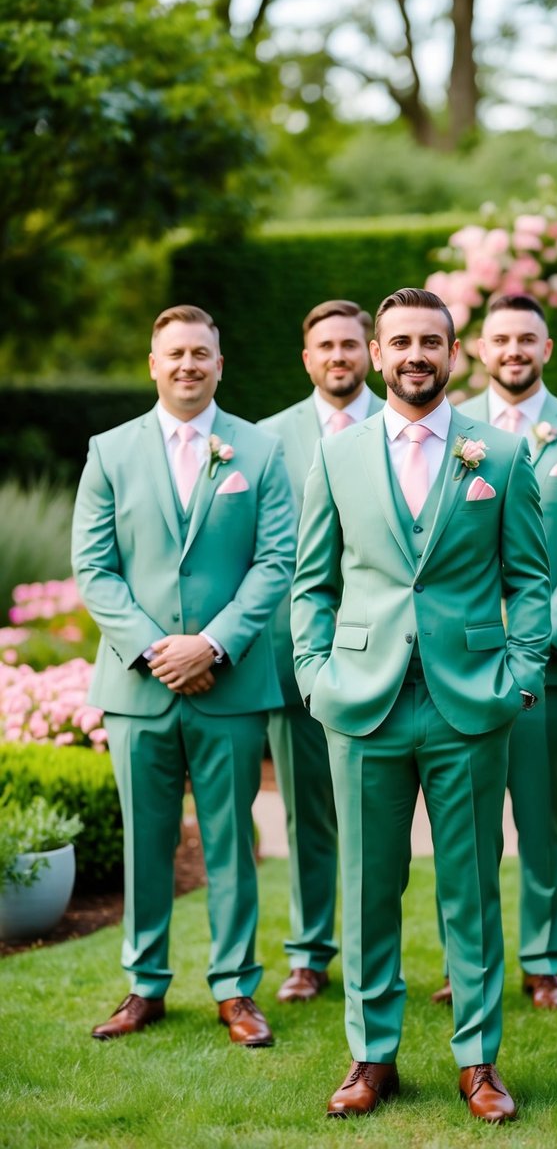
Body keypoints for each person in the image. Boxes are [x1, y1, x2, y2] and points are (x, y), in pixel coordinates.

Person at [291, 287, 551, 1122]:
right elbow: (311, 583)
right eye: (398, 341)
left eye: (429, 342)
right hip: (360, 703)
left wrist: (517, 675)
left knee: (469, 889)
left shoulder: (500, 455)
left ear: (452, 352)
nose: (414, 355)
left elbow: (530, 580)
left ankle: (477, 1063)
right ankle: (371, 1059)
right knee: (367, 887)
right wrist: (313, 674)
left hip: (468, 703)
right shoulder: (335, 457)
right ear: (375, 355)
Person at [72, 304, 295, 1046]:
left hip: (228, 683)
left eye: (201, 353)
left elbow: (276, 562)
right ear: (152, 362)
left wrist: (213, 645)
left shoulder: (259, 452)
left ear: (219, 364)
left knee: (232, 840)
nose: (188, 366)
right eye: (175, 354)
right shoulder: (109, 451)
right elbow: (95, 568)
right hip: (138, 688)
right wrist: (154, 649)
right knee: (148, 840)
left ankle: (235, 990)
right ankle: (145, 985)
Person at [430, 294, 557, 1012]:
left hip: (548, 663)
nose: (512, 351)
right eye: (499, 339)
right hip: (454, 665)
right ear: (477, 348)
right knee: (462, 825)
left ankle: (542, 961)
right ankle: (464, 965)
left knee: (540, 815)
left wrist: (537, 638)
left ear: (545, 349)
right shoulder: (444, 429)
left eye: (525, 339)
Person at [258, 299, 382, 1004]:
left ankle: (386, 946)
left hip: (391, 655)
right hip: (297, 653)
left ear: (368, 351)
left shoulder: (408, 426)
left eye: (349, 344)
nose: (338, 356)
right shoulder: (266, 439)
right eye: (324, 346)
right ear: (307, 358)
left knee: (388, 815)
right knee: (307, 810)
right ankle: (309, 952)